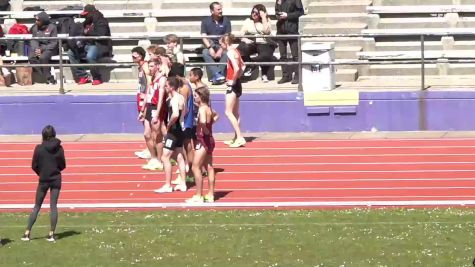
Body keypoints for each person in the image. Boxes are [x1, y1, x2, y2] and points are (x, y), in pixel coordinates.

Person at [21, 125, 66, 242]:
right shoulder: (59, 148)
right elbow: (63, 165)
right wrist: (55, 171)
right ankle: (51, 234)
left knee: (37, 206)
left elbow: (34, 165)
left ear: (43, 135)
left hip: (43, 180)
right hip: (56, 179)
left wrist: (41, 172)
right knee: (53, 206)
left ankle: (27, 233)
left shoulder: (38, 148)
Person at [154, 76, 188, 193]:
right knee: (179, 156)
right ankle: (183, 183)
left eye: (167, 86)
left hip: (174, 130)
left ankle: (168, 185)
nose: (165, 87)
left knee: (165, 157)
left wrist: (168, 125)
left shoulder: (174, 99)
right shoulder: (181, 97)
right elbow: (185, 111)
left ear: (172, 87)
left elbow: (175, 114)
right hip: (180, 129)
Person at [186, 86, 218, 203]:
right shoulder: (208, 108)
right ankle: (210, 194)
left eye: (196, 96)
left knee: (195, 167)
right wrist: (210, 126)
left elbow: (203, 121)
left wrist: (204, 130)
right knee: (209, 167)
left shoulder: (202, 109)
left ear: (201, 97)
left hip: (203, 140)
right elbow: (216, 116)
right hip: (209, 139)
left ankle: (199, 195)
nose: (194, 97)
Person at [67, 4, 112, 85]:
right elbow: (82, 33)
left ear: (92, 13)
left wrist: (88, 32)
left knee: (90, 56)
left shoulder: (101, 21)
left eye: (87, 14)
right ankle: (83, 76)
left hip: (99, 45)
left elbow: (102, 34)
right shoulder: (87, 21)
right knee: (71, 52)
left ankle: (96, 77)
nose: (86, 16)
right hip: (87, 44)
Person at [220, 34, 246, 148]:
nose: (220, 46)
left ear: (225, 42)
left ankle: (240, 137)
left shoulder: (230, 52)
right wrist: (238, 78)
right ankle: (236, 137)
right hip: (238, 84)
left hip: (233, 84)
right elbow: (243, 66)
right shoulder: (236, 51)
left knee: (228, 112)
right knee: (235, 113)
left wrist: (232, 81)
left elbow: (236, 68)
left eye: (221, 43)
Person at [238, 4, 275, 83]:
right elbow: (240, 34)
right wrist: (245, 39)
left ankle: (263, 73)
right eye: (253, 12)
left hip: (264, 43)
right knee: (241, 48)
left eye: (257, 13)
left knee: (265, 55)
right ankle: (249, 66)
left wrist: (264, 17)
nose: (254, 14)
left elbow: (266, 32)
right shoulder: (248, 21)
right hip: (252, 43)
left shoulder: (267, 21)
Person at [200, 1, 231, 85]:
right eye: (218, 9)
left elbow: (227, 37)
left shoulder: (226, 20)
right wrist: (210, 48)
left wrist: (221, 49)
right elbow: (203, 36)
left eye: (221, 9)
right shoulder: (205, 21)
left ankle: (217, 75)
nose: (220, 11)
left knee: (227, 53)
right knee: (205, 52)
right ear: (212, 11)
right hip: (211, 45)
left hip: (222, 45)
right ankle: (219, 74)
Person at [275, 0, 304, 84]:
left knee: (295, 55)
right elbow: (276, 11)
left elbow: (300, 12)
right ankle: (285, 76)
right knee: (282, 55)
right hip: (281, 30)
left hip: (292, 29)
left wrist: (287, 15)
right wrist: (278, 15)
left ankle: (297, 76)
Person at [28, 11, 58, 84]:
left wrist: (42, 49)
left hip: (50, 48)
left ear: (43, 20)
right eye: (36, 20)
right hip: (39, 48)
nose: (36, 21)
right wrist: (36, 49)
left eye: (38, 20)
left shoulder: (52, 27)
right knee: (31, 57)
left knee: (42, 57)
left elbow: (54, 42)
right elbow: (34, 40)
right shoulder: (35, 27)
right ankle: (47, 75)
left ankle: (48, 77)